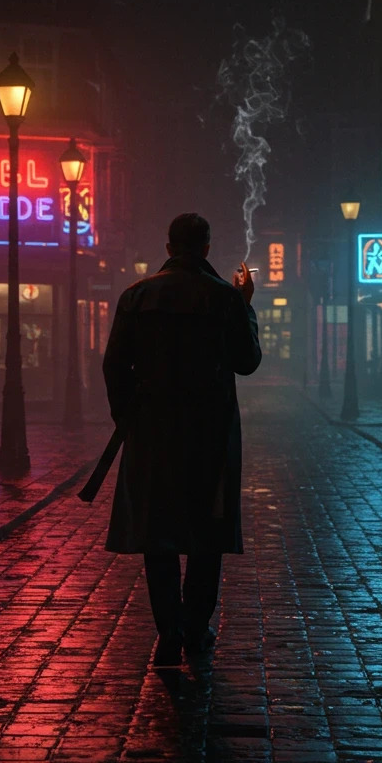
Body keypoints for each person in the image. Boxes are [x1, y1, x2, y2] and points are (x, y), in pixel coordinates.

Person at [102, 213, 263, 668]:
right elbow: (246, 362)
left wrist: (129, 418)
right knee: (206, 533)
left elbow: (115, 365)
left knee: (159, 533)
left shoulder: (136, 296)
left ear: (169, 246)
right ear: (207, 248)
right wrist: (246, 305)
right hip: (209, 433)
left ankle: (168, 631)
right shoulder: (226, 299)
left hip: (153, 433)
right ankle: (195, 627)